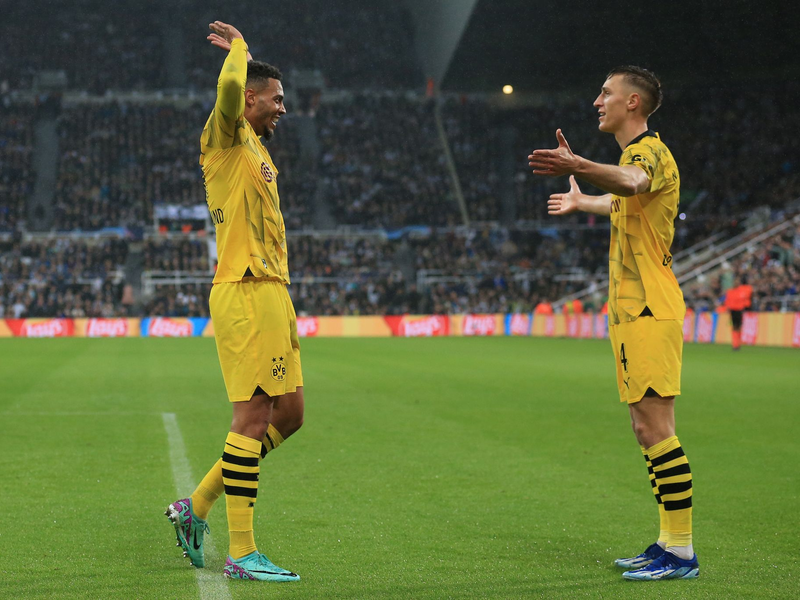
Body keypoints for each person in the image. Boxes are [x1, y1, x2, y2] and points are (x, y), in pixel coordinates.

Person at [528, 66, 699, 581]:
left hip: (650, 307)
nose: (597, 100)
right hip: (631, 310)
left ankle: (683, 553)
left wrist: (578, 164)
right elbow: (626, 198)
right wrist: (584, 199)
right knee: (644, 428)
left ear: (633, 103)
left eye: (605, 93)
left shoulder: (648, 152)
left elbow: (633, 182)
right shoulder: (632, 155)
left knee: (657, 427)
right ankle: (668, 541)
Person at [165, 21, 303, 583]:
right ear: (250, 97)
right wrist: (241, 50)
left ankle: (193, 507)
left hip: (273, 291)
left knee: (289, 415)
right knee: (250, 419)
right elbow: (226, 93)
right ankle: (241, 551)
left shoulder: (257, 151)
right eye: (276, 99)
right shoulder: (223, 137)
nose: (283, 109)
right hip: (244, 290)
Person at [724, 276, 753, 350]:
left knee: (738, 327)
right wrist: (727, 308)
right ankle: (735, 344)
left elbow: (746, 300)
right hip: (733, 310)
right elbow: (727, 301)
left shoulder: (742, 291)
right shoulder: (730, 292)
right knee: (734, 327)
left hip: (739, 310)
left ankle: (738, 344)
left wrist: (746, 307)